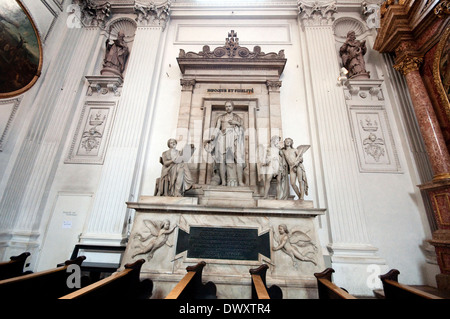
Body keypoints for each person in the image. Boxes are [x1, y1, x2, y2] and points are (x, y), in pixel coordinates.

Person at [206, 101, 246, 186]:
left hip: (234, 138)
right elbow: (217, 128)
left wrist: (236, 123)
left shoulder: (237, 117)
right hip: (223, 138)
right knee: (222, 160)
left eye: (229, 106)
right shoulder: (221, 117)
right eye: (226, 106)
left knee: (238, 159)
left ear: (232, 107)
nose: (228, 108)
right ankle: (223, 181)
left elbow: (243, 129)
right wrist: (213, 136)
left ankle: (240, 181)